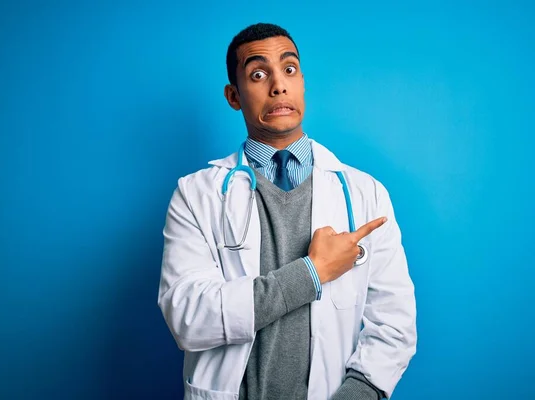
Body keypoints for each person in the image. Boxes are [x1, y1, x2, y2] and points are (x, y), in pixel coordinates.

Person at [158, 23, 417, 400]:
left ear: (303, 83)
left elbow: (395, 326)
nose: (278, 85)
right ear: (234, 96)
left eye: (289, 69)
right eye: (258, 74)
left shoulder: (365, 194)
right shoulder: (196, 194)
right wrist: (312, 273)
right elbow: (188, 319)